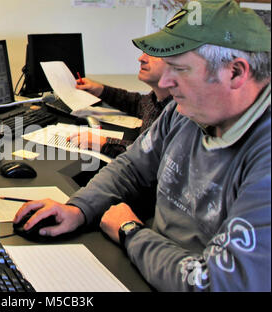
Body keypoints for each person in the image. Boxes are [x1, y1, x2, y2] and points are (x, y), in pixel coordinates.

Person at [14, 0, 271, 291]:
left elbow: (215, 283)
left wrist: (130, 231)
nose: (167, 80)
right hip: (148, 267)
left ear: (235, 72)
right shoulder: (183, 112)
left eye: (180, 69)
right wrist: (79, 208)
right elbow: (132, 167)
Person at [68, 53, 173, 158]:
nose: (141, 59)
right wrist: (101, 90)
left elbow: (150, 157)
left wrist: (104, 143)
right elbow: (139, 103)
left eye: (153, 54)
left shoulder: (177, 113)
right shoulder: (156, 98)